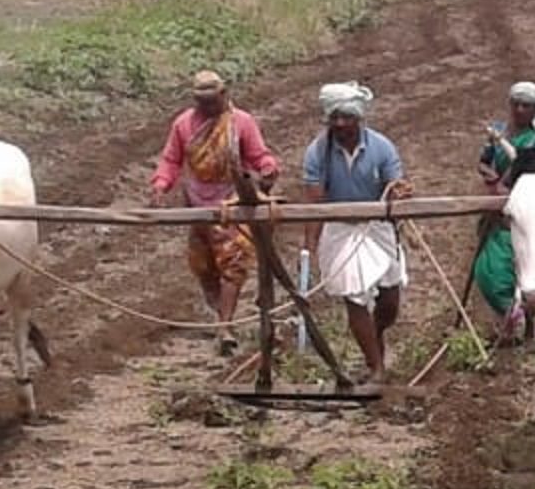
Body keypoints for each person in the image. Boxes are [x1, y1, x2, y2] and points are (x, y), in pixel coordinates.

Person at [148, 69, 281, 357]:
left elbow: (259, 156)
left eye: (212, 100)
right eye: (202, 101)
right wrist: (161, 185)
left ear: (224, 95)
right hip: (197, 203)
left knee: (233, 262)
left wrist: (268, 168)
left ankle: (225, 325)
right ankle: (221, 313)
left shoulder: (240, 122)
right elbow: (171, 160)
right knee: (204, 266)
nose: (208, 107)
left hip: (232, 201)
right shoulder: (183, 124)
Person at [299, 81, 413, 385]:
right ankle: (376, 367)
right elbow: (315, 201)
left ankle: (374, 337)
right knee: (355, 296)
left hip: (377, 226)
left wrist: (398, 193)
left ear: (360, 118)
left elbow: (394, 185)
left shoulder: (381, 147)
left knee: (390, 301)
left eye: (347, 118)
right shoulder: (317, 152)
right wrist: (310, 247)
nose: (340, 124)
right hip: (338, 228)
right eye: (334, 118)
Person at [471, 81, 535, 341]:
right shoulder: (498, 131)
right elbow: (484, 161)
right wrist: (490, 177)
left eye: (527, 106)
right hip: (499, 208)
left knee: (529, 262)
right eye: (516, 104)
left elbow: (527, 164)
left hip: (529, 206)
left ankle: (533, 324)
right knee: (489, 270)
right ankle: (513, 316)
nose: (520, 110)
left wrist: (505, 184)